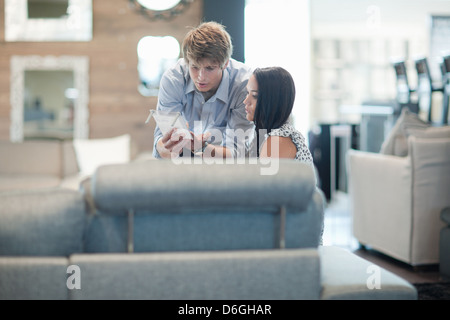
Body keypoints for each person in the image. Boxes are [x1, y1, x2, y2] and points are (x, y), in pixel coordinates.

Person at [153, 21, 254, 159]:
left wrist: (201, 147)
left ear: (225, 64)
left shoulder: (244, 85)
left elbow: (237, 153)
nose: (201, 77)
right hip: (180, 165)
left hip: (225, 171)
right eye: (194, 67)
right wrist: (173, 145)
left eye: (209, 68)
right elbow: (161, 147)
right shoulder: (173, 78)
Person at [243, 66, 313, 164]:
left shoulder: (277, 141)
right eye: (247, 93)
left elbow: (260, 179)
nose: (245, 101)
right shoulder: (273, 135)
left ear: (272, 101)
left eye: (255, 96)